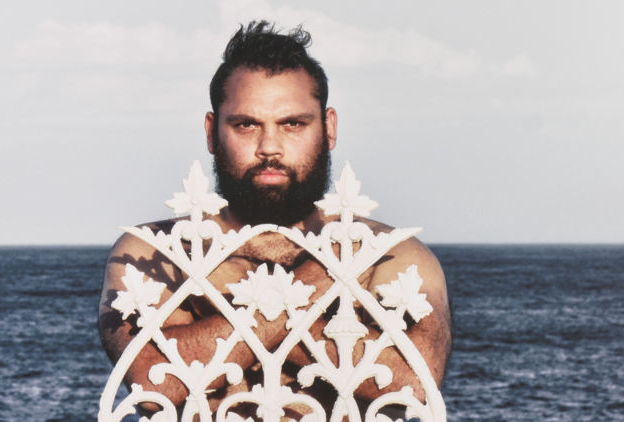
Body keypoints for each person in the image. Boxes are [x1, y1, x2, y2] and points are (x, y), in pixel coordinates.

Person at [99, 21, 451, 420]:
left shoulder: (390, 256)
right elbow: (153, 384)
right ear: (213, 133)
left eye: (293, 124)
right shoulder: (156, 253)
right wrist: (319, 281)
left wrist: (238, 322)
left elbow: (414, 380)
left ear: (329, 127)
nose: (269, 147)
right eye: (246, 124)